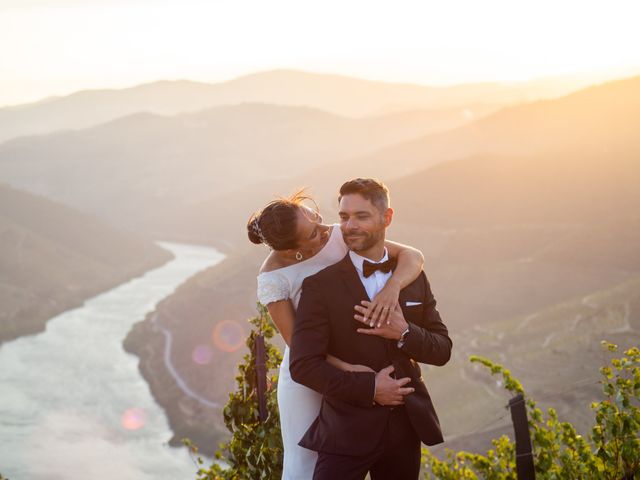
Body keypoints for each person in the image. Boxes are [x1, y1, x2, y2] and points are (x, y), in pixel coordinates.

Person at [248, 190, 425, 480]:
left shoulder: (338, 235)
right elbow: (299, 345)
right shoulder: (273, 279)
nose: (325, 231)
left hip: (360, 361)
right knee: (306, 463)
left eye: (316, 218)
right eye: (314, 234)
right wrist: (354, 374)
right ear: (294, 251)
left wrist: (391, 289)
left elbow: (412, 256)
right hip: (310, 374)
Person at [289, 178, 452, 480]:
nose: (350, 225)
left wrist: (405, 333)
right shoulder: (320, 287)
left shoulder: (413, 278)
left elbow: (443, 349)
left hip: (405, 429)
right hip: (344, 431)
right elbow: (303, 366)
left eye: (361, 216)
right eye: (344, 217)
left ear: (386, 217)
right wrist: (371, 389)